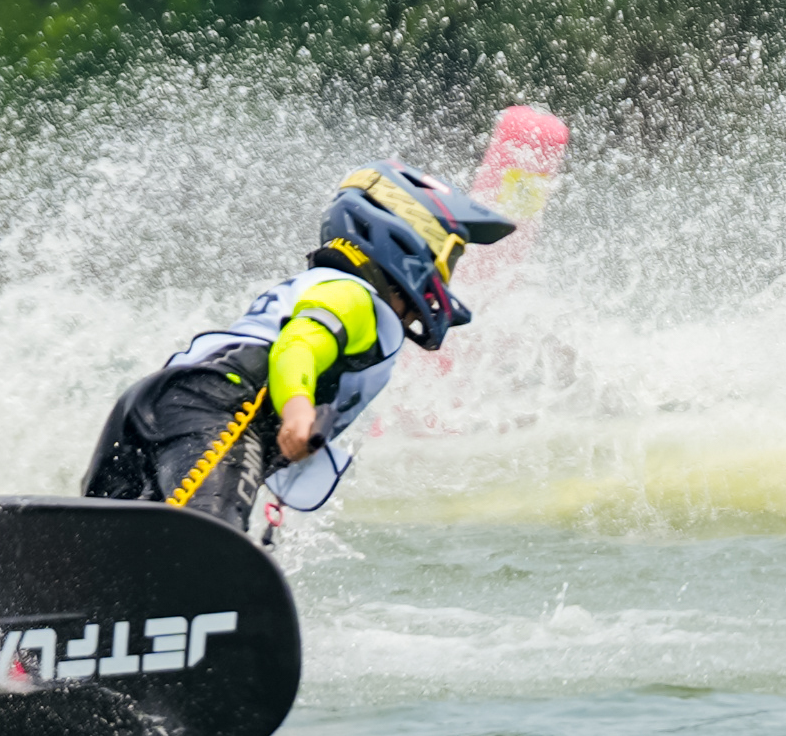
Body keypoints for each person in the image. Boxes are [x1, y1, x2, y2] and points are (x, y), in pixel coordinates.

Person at [81, 162, 518, 534]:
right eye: (450, 259)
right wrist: (298, 412)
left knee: (112, 546)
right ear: (408, 242)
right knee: (207, 545)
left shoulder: (323, 287)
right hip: (218, 410)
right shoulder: (358, 301)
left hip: (152, 404)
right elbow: (297, 347)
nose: (448, 280)